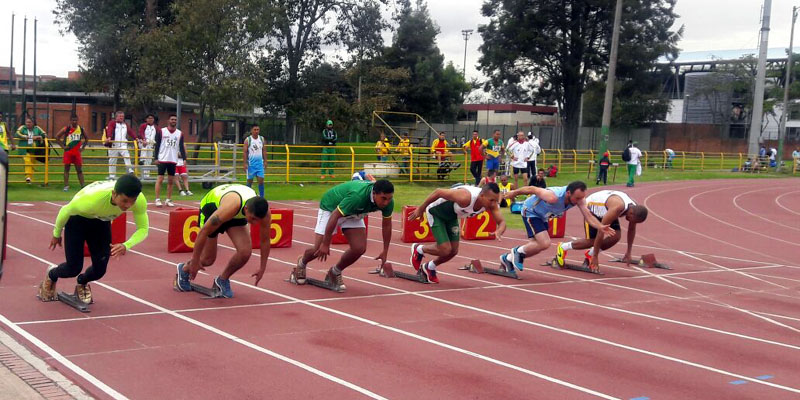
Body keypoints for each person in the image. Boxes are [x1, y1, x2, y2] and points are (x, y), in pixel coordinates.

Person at [39, 175, 149, 304]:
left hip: (101, 222)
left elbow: (143, 229)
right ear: (114, 194)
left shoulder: (139, 200)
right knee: (73, 268)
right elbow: (65, 210)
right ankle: (51, 275)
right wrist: (56, 234)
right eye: (125, 201)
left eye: (132, 201)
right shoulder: (91, 200)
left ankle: (82, 282)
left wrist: (126, 245)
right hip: (77, 220)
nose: (128, 205)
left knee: (100, 270)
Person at [294, 180, 395, 293]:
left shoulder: (388, 202)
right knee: (318, 248)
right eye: (383, 198)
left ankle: (335, 272)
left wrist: (385, 250)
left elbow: (387, 225)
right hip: (331, 208)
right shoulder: (358, 196)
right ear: (374, 193)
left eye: (389, 198)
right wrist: (326, 243)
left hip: (354, 211)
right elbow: (335, 215)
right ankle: (301, 263)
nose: (386, 202)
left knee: (359, 248)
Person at [175, 184, 271, 298]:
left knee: (245, 252)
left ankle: (222, 280)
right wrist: (195, 261)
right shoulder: (230, 207)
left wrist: (262, 267)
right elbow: (203, 232)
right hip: (212, 210)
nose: (255, 223)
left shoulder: (265, 214)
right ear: (246, 209)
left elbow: (265, 240)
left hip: (235, 214)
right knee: (208, 259)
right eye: (253, 219)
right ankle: (184, 269)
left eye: (258, 220)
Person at [498, 181, 613, 273]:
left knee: (537, 246)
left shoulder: (580, 199)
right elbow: (532, 189)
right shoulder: (553, 196)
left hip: (543, 216)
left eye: (581, 197)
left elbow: (588, 216)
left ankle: (507, 259)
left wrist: (600, 226)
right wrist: (514, 193)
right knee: (545, 243)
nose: (579, 201)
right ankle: (516, 252)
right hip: (531, 212)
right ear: (568, 193)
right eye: (577, 198)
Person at [408, 183, 505, 283]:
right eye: (491, 200)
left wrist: (499, 231)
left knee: (453, 251)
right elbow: (438, 192)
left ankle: (429, 267)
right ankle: (419, 249)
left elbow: (502, 222)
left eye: (496, 201)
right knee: (445, 249)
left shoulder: (492, 205)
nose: (494, 204)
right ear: (482, 196)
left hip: (452, 216)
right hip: (436, 212)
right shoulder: (465, 197)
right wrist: (421, 208)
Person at [556, 190, 647, 272]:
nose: (631, 222)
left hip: (606, 210)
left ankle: (590, 253)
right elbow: (601, 232)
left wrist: (629, 251)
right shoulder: (616, 208)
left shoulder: (634, 208)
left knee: (616, 236)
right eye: (632, 220)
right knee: (592, 241)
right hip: (591, 210)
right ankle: (563, 247)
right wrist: (595, 257)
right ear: (631, 213)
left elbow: (631, 229)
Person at [153, 115, 187, 207]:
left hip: (172, 159)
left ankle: (168, 199)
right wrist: (155, 158)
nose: (173, 121)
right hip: (162, 158)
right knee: (160, 179)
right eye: (172, 119)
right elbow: (157, 145)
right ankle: (157, 199)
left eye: (175, 120)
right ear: (168, 120)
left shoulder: (179, 133)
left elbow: (181, 147)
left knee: (171, 180)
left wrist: (184, 158)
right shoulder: (162, 131)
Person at [54, 114, 88, 191]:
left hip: (77, 152)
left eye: (76, 120)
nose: (74, 122)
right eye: (73, 120)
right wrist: (63, 147)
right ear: (70, 121)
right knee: (66, 169)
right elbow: (57, 137)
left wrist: (82, 147)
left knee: (79, 170)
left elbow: (86, 138)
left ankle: (82, 186)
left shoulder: (81, 129)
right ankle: (66, 186)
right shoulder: (66, 129)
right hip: (68, 152)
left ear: (78, 120)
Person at [104, 111, 138, 178]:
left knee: (127, 156)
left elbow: (130, 131)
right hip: (114, 144)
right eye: (120, 116)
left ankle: (130, 170)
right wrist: (109, 137)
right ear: (116, 117)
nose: (121, 118)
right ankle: (112, 176)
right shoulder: (112, 123)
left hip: (123, 144)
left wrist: (136, 138)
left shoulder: (125, 124)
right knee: (112, 160)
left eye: (122, 116)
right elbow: (110, 130)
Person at [15, 117, 46, 183]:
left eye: (29, 122)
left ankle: (29, 179)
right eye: (27, 122)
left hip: (34, 150)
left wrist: (40, 137)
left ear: (33, 123)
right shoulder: (22, 128)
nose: (28, 124)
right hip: (24, 149)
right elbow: (17, 134)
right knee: (27, 160)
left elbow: (44, 134)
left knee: (32, 163)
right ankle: (28, 177)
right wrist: (26, 137)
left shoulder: (37, 128)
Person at [243, 125, 267, 197]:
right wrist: (245, 163)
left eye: (258, 129)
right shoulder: (248, 140)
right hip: (251, 165)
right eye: (255, 129)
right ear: (251, 130)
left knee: (261, 180)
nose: (256, 131)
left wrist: (265, 161)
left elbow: (264, 150)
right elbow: (245, 152)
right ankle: (247, 196)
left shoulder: (262, 139)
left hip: (260, 164)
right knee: (250, 181)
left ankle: (262, 197)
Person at [138, 114, 158, 179]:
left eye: (152, 118)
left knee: (149, 160)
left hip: (151, 144)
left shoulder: (155, 127)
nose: (150, 119)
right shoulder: (143, 125)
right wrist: (144, 139)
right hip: (143, 142)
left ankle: (146, 175)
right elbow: (141, 133)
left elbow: (159, 133)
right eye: (149, 118)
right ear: (146, 119)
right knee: (144, 148)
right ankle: (142, 159)